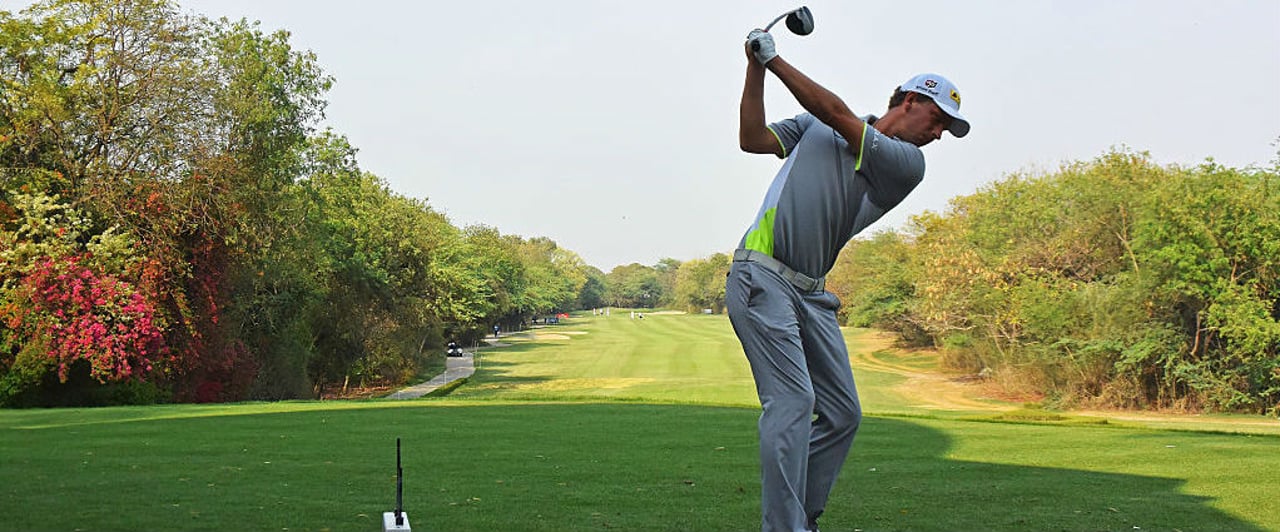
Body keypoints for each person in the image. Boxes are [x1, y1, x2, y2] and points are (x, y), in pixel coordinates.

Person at [726, 29, 969, 532]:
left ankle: (801, 516)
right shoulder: (813, 124)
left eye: (946, 128)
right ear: (909, 101)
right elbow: (752, 139)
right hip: (762, 274)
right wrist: (754, 68)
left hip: (811, 294)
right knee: (792, 401)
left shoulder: (906, 163)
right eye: (937, 119)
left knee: (842, 413)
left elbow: (835, 114)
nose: (938, 134)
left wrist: (775, 60)